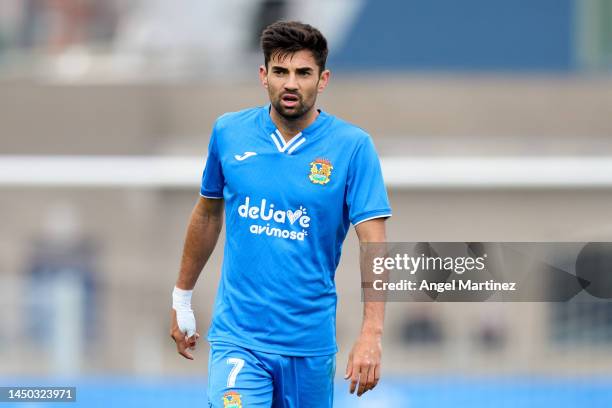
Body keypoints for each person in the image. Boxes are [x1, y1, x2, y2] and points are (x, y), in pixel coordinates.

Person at [170, 20, 391, 408]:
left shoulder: (353, 147)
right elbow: (207, 214)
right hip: (238, 340)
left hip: (309, 345)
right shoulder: (229, 132)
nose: (291, 83)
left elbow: (374, 242)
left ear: (323, 80)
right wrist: (181, 299)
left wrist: (371, 333)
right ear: (263, 75)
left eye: (303, 73)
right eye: (281, 71)